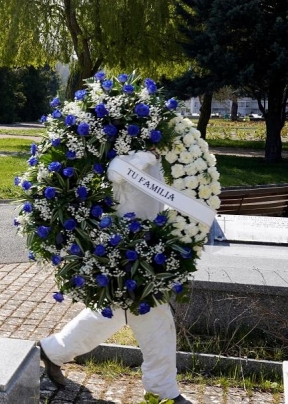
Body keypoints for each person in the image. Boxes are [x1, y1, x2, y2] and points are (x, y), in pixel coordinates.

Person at [38, 151, 192, 404]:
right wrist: (149, 155)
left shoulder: (150, 159)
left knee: (107, 316)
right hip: (129, 258)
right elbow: (116, 171)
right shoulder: (131, 157)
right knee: (156, 322)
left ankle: (52, 351)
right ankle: (163, 392)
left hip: (144, 253)